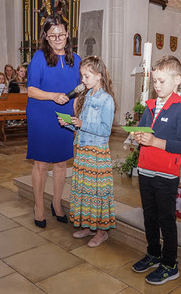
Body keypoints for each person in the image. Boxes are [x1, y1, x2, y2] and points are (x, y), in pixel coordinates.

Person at [132, 55, 181, 285]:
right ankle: (153, 254)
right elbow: (141, 130)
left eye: (161, 81)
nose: (156, 85)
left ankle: (170, 264)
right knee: (149, 215)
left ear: (177, 79)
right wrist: (137, 135)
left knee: (166, 218)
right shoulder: (149, 106)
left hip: (166, 173)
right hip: (146, 169)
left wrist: (154, 141)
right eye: (155, 81)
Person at [26, 13, 81, 228]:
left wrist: (76, 116)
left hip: (65, 116)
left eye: (62, 34)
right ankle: (38, 205)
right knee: (41, 163)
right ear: (46, 37)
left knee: (60, 163)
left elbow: (78, 91)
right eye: (53, 35)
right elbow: (31, 90)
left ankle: (56, 204)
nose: (58, 38)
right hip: (42, 114)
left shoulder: (75, 60)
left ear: (68, 35)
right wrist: (53, 96)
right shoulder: (39, 57)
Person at [58, 56, 116, 248]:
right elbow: (81, 128)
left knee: (97, 192)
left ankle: (101, 232)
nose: (82, 80)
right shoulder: (86, 96)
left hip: (97, 154)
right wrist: (69, 124)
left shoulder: (106, 100)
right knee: (85, 191)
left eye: (86, 76)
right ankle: (89, 226)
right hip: (83, 151)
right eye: (82, 76)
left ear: (99, 76)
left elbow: (106, 129)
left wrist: (82, 123)